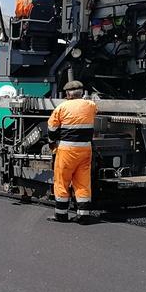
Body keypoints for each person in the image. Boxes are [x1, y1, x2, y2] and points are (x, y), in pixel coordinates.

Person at [47, 80, 97, 223]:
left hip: (66, 151)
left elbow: (52, 128)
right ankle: (83, 216)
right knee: (82, 182)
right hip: (85, 150)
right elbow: (93, 111)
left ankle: (61, 215)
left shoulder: (62, 107)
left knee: (62, 181)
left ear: (68, 94)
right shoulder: (91, 105)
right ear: (82, 93)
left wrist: (52, 142)